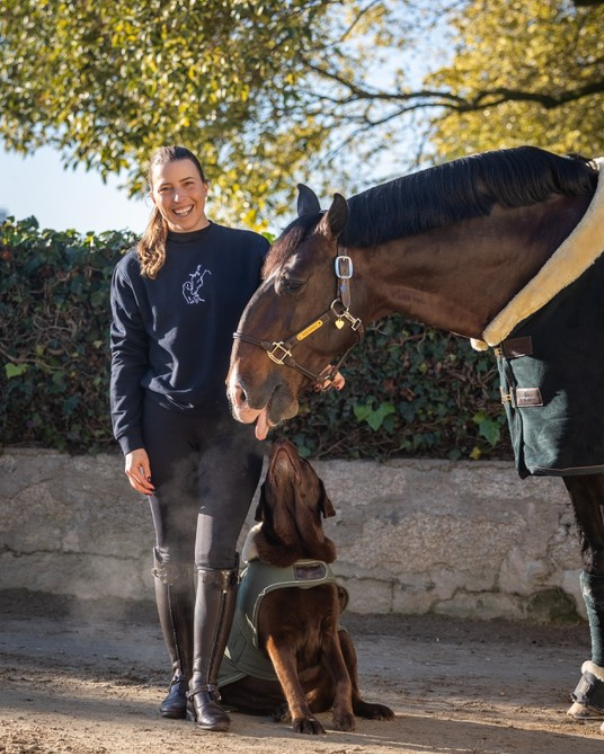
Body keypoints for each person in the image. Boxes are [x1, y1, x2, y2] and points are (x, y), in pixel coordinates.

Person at [109, 145, 270, 732]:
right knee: (172, 560)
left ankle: (205, 687)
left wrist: (280, 400)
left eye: (188, 184)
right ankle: (180, 677)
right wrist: (131, 441)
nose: (179, 198)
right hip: (164, 425)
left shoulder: (250, 252)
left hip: (233, 428)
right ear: (152, 196)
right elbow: (125, 359)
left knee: (214, 560)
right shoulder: (135, 269)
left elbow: (286, 329)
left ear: (206, 184)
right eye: (166, 189)